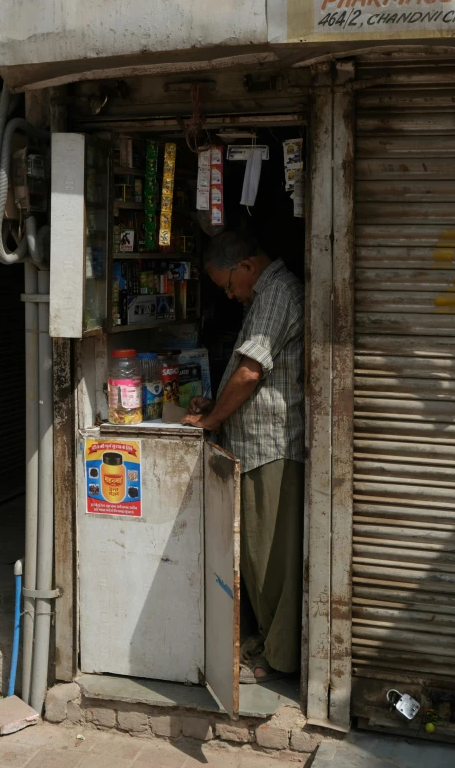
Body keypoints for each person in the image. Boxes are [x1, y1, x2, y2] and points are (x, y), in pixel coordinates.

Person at [182, 230, 304, 683]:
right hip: (257, 446)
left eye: (228, 285)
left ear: (247, 266)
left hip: (272, 446)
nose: (230, 295)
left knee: (273, 558)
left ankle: (280, 657)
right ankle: (269, 644)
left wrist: (212, 421)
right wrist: (213, 407)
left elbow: (251, 371)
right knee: (257, 554)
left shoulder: (278, 291)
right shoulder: (267, 295)